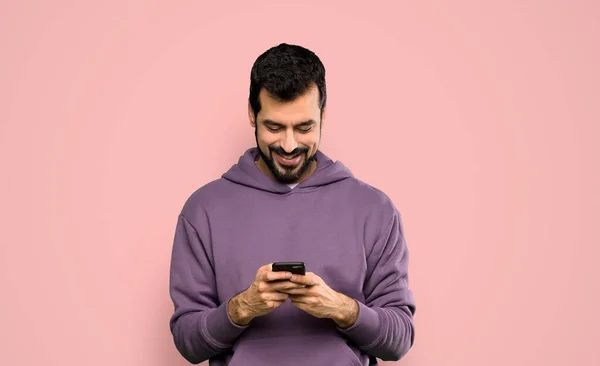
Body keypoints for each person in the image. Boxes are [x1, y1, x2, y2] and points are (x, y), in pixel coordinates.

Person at [168, 43, 416, 366]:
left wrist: (341, 308)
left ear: (323, 116)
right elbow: (188, 343)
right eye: (274, 127)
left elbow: (399, 340)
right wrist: (241, 308)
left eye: (304, 128)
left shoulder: (375, 209)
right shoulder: (202, 211)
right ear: (251, 114)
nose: (289, 145)